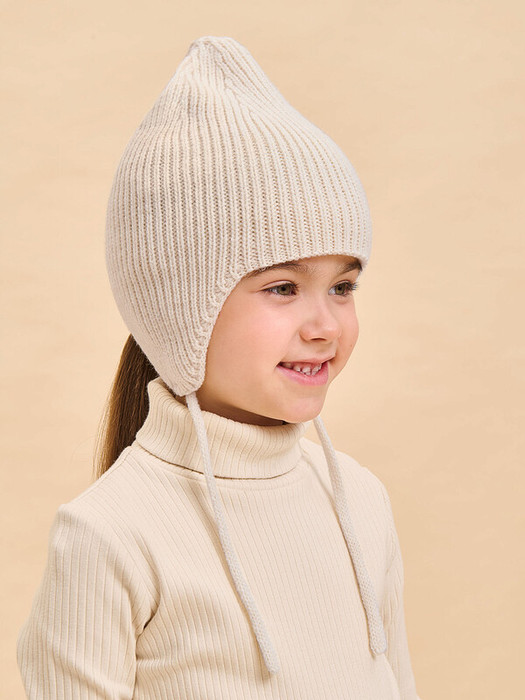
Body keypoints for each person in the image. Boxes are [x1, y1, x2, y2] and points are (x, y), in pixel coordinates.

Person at [16, 36, 421, 699]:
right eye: (283, 287)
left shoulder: (358, 501)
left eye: (342, 287)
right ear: (180, 308)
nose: (324, 326)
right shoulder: (110, 536)